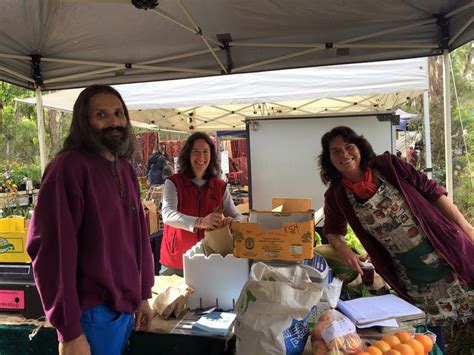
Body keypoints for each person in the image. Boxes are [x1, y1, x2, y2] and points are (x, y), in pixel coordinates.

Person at [318, 126, 473, 352]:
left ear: (359, 147)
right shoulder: (336, 194)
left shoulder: (388, 166)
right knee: (426, 323)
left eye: (349, 147)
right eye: (336, 151)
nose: (344, 155)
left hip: (445, 249)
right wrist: (345, 252)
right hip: (411, 272)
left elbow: (433, 191)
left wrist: (466, 227)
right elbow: (332, 230)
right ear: (329, 159)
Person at [26, 85, 154, 355]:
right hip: (91, 315)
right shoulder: (68, 168)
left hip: (124, 310)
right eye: (102, 114)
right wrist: (69, 331)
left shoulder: (125, 169)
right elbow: (51, 251)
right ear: (84, 122)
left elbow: (138, 237)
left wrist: (143, 294)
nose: (114, 122)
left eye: (118, 113)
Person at [160, 132, 242, 276]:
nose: (201, 157)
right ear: (188, 155)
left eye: (205, 152)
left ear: (211, 156)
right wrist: (200, 222)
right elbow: (167, 214)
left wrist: (232, 222)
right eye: (196, 152)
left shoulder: (219, 186)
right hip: (176, 262)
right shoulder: (173, 183)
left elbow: (236, 215)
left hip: (208, 260)